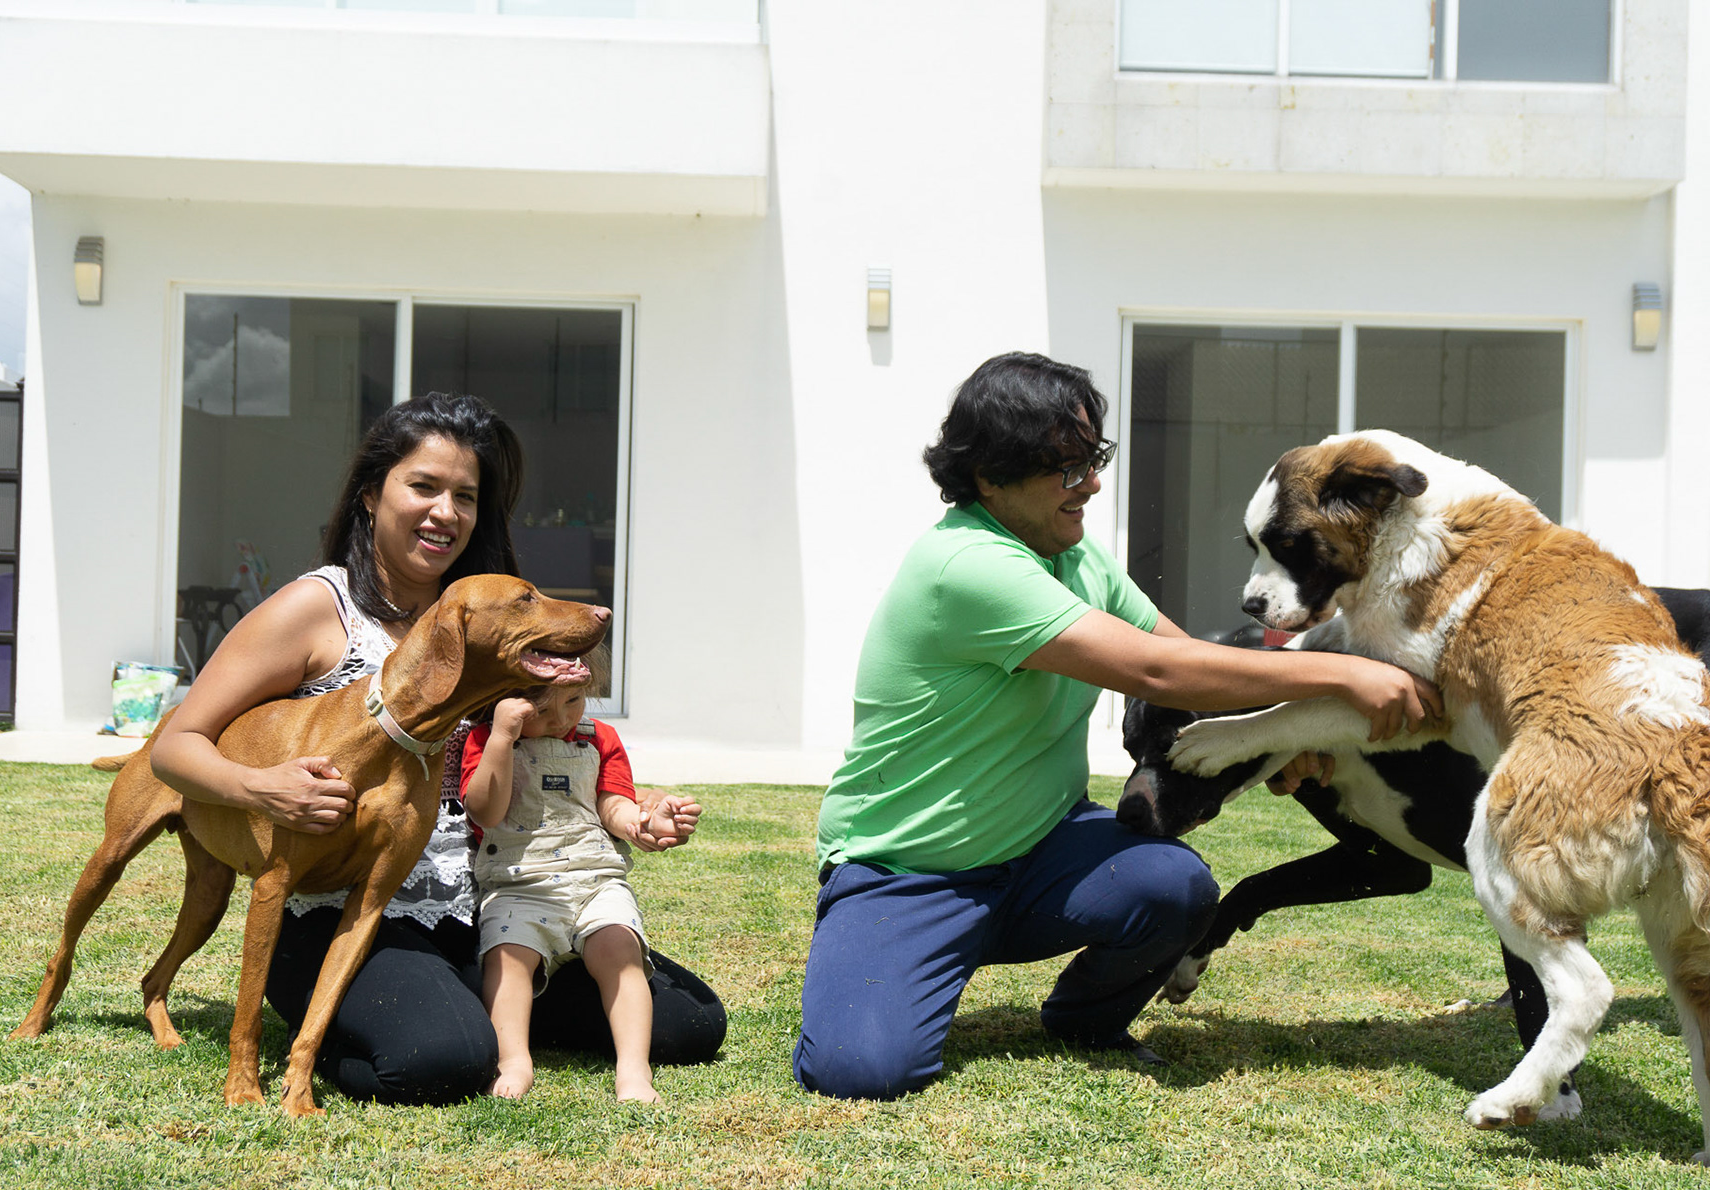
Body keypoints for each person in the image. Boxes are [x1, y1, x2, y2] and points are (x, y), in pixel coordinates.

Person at [792, 352, 1442, 1101]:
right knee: (862, 1074)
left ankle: (1084, 1019)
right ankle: (894, 948)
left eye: (1092, 459)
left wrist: (1284, 735)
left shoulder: (1075, 556)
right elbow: (1154, 674)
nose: (1092, 485)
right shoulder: (966, 566)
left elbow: (1186, 655)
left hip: (1039, 854)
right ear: (989, 477)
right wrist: (1347, 673)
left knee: (1175, 886)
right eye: (1066, 469)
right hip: (908, 871)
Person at [150, 391, 726, 1106]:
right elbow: (174, 748)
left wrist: (635, 809)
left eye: (465, 496)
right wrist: (262, 789)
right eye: (423, 486)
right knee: (437, 1062)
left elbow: (555, 738)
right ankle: (357, 1023)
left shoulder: (483, 613)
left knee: (691, 1023)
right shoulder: (315, 609)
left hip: (492, 907)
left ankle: (477, 1006)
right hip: (345, 912)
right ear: (369, 495)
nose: (445, 512)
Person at [460, 661, 701, 1103]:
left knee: (620, 948)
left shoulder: (598, 738)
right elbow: (485, 812)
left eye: (572, 701)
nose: (561, 719)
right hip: (519, 883)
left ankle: (633, 1067)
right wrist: (501, 738)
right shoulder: (485, 740)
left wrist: (641, 823)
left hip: (593, 878)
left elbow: (612, 803)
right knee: (508, 959)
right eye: (540, 710)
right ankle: (513, 1059)